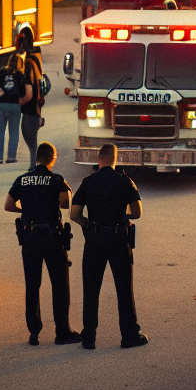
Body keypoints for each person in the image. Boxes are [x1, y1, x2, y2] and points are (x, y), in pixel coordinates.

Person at [70, 143, 147, 350]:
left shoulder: (88, 182)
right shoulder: (124, 181)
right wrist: (123, 217)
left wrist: (87, 223)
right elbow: (137, 212)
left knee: (91, 288)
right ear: (115, 159)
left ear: (98, 159)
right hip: (118, 238)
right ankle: (129, 335)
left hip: (95, 239)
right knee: (124, 288)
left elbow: (74, 214)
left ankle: (89, 337)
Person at [5, 142, 82, 346]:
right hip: (52, 237)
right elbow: (66, 202)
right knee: (59, 286)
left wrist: (26, 211)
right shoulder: (56, 179)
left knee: (32, 286)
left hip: (30, 238)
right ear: (52, 159)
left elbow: (8, 205)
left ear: (37, 157)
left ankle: (34, 333)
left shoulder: (22, 180)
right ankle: (62, 332)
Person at [0, 52, 29, 164]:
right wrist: (21, 102)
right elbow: (28, 93)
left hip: (1, 105)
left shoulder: (1, 73)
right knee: (14, 132)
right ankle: (11, 157)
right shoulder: (21, 75)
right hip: (15, 105)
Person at [17, 31, 45, 169]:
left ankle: (34, 165)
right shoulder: (37, 61)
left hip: (30, 109)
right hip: (37, 107)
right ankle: (34, 164)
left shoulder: (28, 66)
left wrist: (19, 103)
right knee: (31, 137)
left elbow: (28, 93)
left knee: (30, 137)